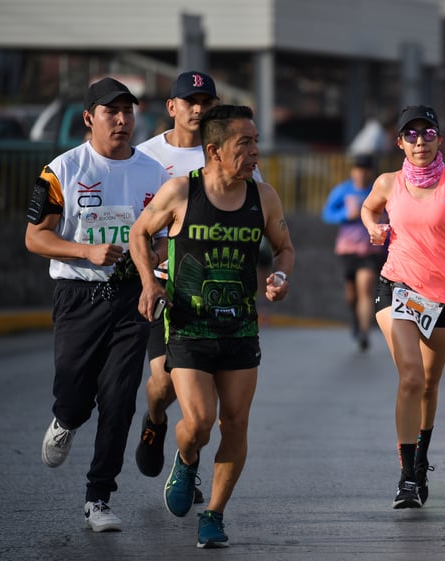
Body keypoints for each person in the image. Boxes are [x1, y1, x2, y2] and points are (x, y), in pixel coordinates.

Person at [129, 105, 295, 548]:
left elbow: (284, 247)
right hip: (188, 323)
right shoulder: (181, 192)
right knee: (200, 422)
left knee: (235, 424)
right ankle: (185, 459)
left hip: (240, 328)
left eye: (257, 141)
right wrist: (149, 283)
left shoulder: (264, 197)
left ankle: (215, 514)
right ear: (214, 151)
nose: (256, 151)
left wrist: (280, 275)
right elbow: (139, 233)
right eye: (245, 143)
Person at [24, 77, 171, 532]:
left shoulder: (153, 173)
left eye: (128, 112)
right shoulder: (61, 170)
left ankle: (98, 498)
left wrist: (154, 268)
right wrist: (85, 250)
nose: (123, 121)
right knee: (74, 392)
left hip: (131, 297)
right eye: (112, 112)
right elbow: (35, 237)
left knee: (119, 400)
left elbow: (165, 238)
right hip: (78, 295)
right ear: (90, 118)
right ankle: (66, 418)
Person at [360, 105, 445, 508]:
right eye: (411, 135)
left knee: (430, 385)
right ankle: (406, 478)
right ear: (400, 142)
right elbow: (368, 208)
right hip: (397, 287)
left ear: (440, 139)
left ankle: (420, 463)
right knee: (412, 378)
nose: (420, 141)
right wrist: (373, 228)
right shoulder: (388, 182)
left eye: (428, 132)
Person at [133, 71, 220, 503]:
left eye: (206, 101)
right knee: (162, 384)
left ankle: (188, 466)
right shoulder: (146, 157)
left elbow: (252, 204)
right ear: (172, 106)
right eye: (190, 101)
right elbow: (135, 221)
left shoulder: (221, 154)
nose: (198, 109)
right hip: (165, 287)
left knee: (199, 393)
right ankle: (154, 420)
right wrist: (149, 261)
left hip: (211, 294)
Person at [322, 153, 386, 351]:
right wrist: (345, 215)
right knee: (351, 293)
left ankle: (365, 333)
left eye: (365, 170)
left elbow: (390, 217)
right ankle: (356, 320)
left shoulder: (377, 191)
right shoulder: (343, 191)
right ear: (353, 171)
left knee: (365, 287)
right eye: (358, 170)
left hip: (370, 249)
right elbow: (327, 214)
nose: (361, 174)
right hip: (347, 248)